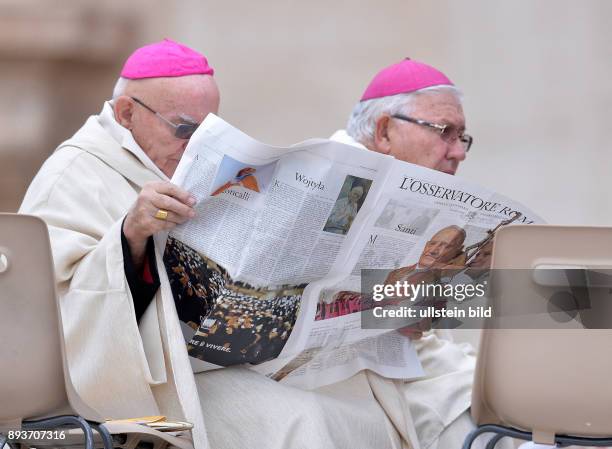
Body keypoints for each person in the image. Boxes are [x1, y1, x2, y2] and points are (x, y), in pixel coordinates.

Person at [19, 41, 414, 449]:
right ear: (126, 114)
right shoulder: (73, 174)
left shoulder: (199, 168)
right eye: (185, 129)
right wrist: (130, 235)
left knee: (356, 415)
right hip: (141, 383)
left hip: (223, 366)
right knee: (300, 423)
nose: (195, 146)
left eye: (207, 131)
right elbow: (52, 316)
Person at [331, 58, 513, 449]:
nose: (458, 152)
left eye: (462, 136)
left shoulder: (420, 188)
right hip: (331, 368)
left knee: (513, 400)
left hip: (404, 353)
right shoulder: (329, 177)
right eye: (444, 132)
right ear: (384, 132)